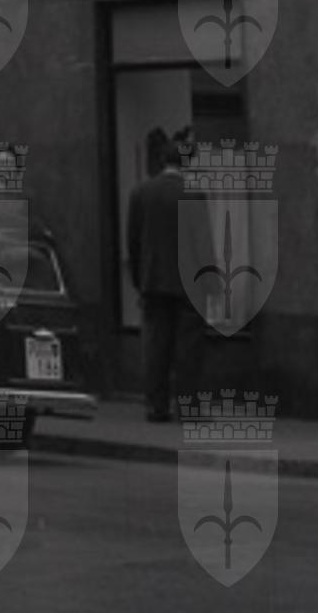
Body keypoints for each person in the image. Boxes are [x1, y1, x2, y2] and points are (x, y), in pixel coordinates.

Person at [125, 126, 210, 421]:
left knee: (156, 345)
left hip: (153, 281)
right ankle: (187, 407)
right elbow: (203, 242)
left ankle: (155, 405)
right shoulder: (194, 194)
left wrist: (139, 280)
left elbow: (133, 242)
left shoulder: (141, 193)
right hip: (189, 283)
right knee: (188, 348)